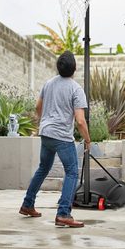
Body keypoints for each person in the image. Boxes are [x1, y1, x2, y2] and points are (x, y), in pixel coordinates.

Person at [19, 50, 91, 227]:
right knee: (72, 171)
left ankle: (28, 204)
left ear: (58, 67)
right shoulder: (76, 89)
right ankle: (63, 214)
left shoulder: (49, 83)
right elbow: (80, 121)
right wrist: (88, 140)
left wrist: (44, 121)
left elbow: (38, 107)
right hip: (62, 136)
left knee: (43, 168)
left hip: (46, 132)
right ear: (74, 69)